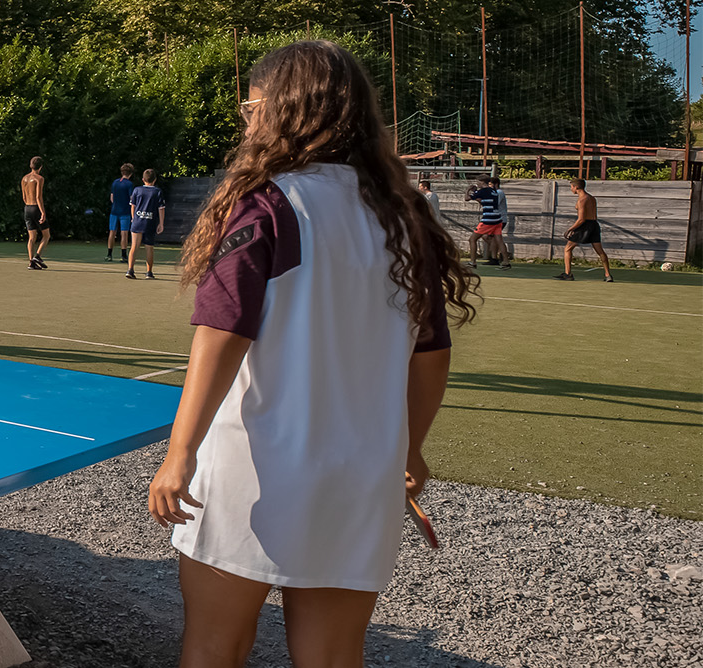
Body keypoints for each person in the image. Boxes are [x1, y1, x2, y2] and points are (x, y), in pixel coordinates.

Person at [147, 41, 479, 668]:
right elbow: (432, 353)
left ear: (280, 110)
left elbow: (221, 334)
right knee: (332, 657)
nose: (248, 121)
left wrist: (179, 452)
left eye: (252, 107)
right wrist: (408, 450)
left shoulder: (269, 205)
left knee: (215, 647)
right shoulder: (404, 220)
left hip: (254, 470)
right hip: (360, 477)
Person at [557, 178, 613, 282]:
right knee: (600, 251)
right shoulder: (592, 198)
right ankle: (608, 275)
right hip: (594, 225)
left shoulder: (582, 200)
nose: (571, 189)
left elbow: (581, 219)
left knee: (567, 249)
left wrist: (570, 229)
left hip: (585, 225)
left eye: (571, 187)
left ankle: (568, 274)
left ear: (576, 187)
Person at [125, 168, 166, 279]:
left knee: (134, 246)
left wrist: (134, 218)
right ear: (155, 180)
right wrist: (161, 223)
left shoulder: (137, 190)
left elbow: (132, 206)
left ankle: (130, 270)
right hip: (150, 222)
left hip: (138, 222)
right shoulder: (157, 192)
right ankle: (149, 272)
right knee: (149, 247)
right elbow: (161, 209)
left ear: (143, 179)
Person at [465, 176, 511, 269]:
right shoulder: (493, 191)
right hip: (497, 218)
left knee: (472, 239)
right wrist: (476, 193)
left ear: (482, 182)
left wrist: (468, 190)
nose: (477, 184)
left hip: (488, 220)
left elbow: (467, 198)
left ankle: (472, 262)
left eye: (478, 182)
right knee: (500, 241)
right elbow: (484, 200)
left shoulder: (482, 191)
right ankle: (506, 262)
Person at [22, 156, 50, 269]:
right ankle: (37, 256)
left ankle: (31, 262)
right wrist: (42, 212)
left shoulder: (24, 178)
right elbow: (38, 197)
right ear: (41, 167)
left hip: (27, 208)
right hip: (36, 208)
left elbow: (24, 197)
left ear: (30, 165)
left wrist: (28, 207)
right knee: (46, 235)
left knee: (31, 237)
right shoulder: (39, 179)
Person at [108, 164, 137, 261]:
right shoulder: (129, 184)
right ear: (131, 174)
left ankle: (109, 254)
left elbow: (112, 198)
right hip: (125, 212)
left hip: (114, 211)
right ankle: (123, 256)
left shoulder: (115, 182)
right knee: (124, 233)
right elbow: (131, 199)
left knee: (112, 232)